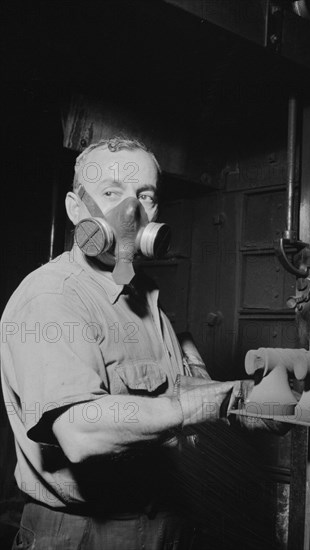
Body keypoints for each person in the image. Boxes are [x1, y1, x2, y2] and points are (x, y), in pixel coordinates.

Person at [0, 137, 262, 549]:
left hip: (167, 520)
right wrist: (211, 403)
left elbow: (178, 393)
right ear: (75, 208)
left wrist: (246, 405)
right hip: (87, 533)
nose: (131, 211)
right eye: (111, 192)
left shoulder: (144, 293)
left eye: (145, 195)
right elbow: (80, 432)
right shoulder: (52, 297)